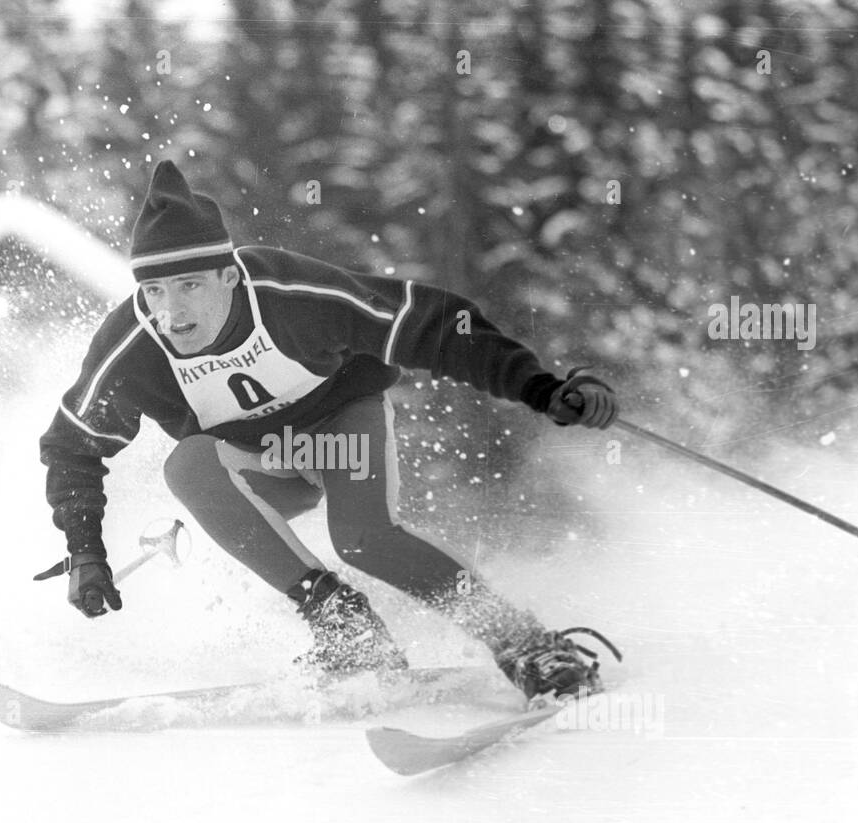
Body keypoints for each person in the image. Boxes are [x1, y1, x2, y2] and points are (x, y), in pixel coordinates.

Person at [38, 160, 620, 699]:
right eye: (155, 290)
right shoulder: (134, 345)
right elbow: (71, 446)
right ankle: (351, 634)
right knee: (187, 466)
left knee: (363, 540)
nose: (173, 312)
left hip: (341, 431)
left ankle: (528, 647)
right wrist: (84, 550)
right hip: (260, 466)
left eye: (189, 285)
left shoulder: (293, 296)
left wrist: (540, 388)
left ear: (229, 276)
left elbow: (437, 325)